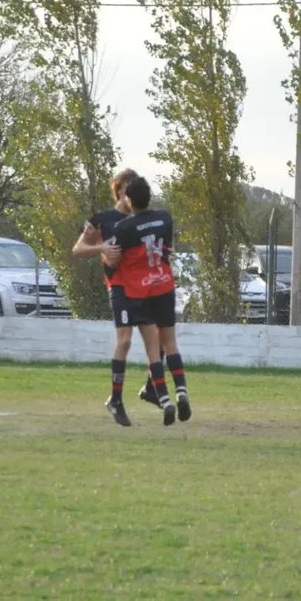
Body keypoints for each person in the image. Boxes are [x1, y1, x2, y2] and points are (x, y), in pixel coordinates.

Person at [71, 168, 160, 424]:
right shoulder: (103, 219)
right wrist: (101, 247)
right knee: (125, 341)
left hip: (143, 285)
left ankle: (150, 388)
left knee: (158, 336)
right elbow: (78, 248)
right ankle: (115, 400)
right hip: (119, 285)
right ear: (121, 191)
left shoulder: (144, 219)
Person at [106, 177, 191, 427]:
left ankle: (165, 401)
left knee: (152, 350)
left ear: (129, 200)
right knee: (171, 344)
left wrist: (105, 252)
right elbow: (169, 248)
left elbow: (114, 262)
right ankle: (182, 392)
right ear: (150, 196)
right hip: (164, 284)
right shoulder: (165, 218)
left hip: (140, 291)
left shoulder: (124, 227)